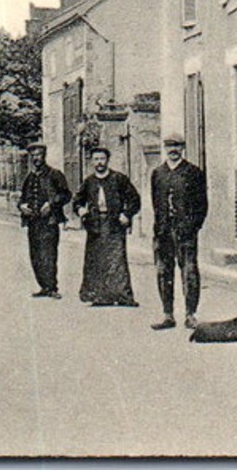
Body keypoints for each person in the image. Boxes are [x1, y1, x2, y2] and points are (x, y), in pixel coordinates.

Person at [150, 135, 207, 329]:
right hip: (164, 232)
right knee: (163, 271)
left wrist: (192, 226)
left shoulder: (193, 172)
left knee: (189, 271)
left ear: (183, 148)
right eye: (169, 146)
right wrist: (158, 228)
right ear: (165, 149)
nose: (173, 150)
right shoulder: (158, 173)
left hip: (186, 232)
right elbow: (156, 203)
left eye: (177, 146)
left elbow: (202, 205)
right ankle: (168, 315)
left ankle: (190, 314)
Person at [73, 145, 142, 307]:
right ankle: (99, 296)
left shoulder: (119, 179)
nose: (99, 162)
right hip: (95, 225)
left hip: (114, 225)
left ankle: (122, 296)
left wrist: (126, 214)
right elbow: (77, 201)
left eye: (102, 159)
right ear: (92, 162)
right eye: (96, 159)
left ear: (107, 160)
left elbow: (134, 199)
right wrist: (81, 209)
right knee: (96, 260)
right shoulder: (89, 182)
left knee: (116, 260)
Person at [18, 141, 72, 298]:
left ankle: (52, 287)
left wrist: (52, 203)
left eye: (39, 155)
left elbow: (66, 195)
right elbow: (22, 198)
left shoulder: (55, 174)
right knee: (35, 255)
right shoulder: (29, 177)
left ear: (44, 156)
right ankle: (43, 286)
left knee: (49, 254)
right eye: (33, 156)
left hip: (50, 222)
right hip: (33, 222)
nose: (36, 158)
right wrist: (22, 206)